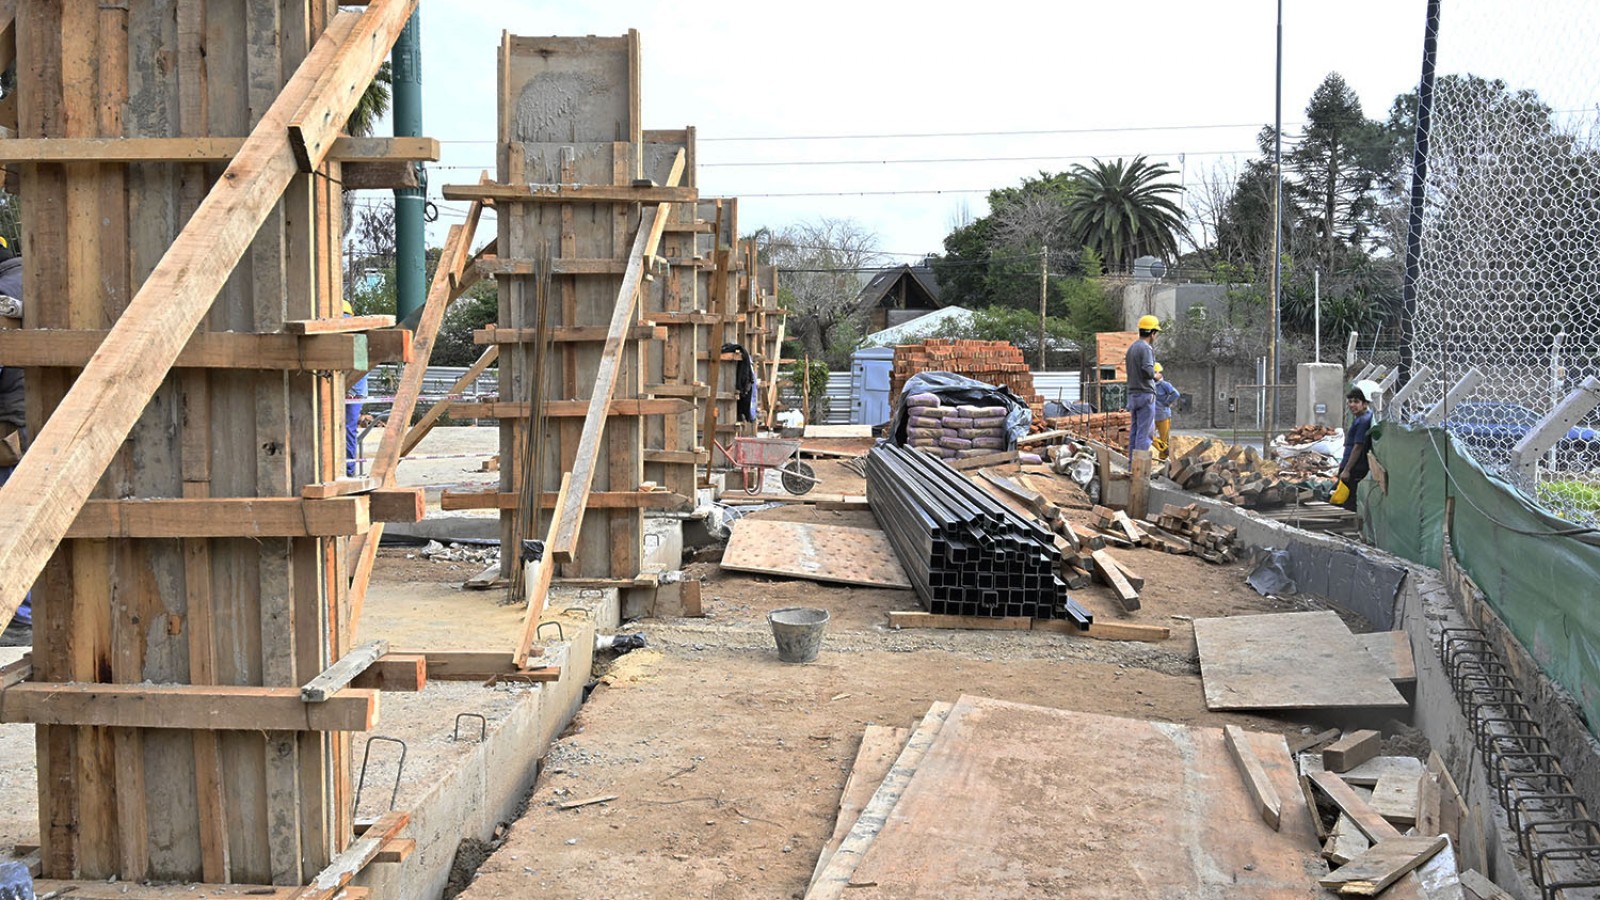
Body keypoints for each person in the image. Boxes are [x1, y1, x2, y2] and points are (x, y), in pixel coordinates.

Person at [0, 235, 31, 642]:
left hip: (9, 429)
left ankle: (19, 616)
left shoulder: (4, 294)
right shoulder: (33, 279)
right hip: (39, 418)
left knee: (8, 521)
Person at [1338, 381, 1379, 511]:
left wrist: (1347, 470)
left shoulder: (1363, 421)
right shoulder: (1362, 417)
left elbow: (1358, 447)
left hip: (1354, 467)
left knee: (1346, 502)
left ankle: (1345, 524)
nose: (1352, 405)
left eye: (1356, 402)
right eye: (1350, 401)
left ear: (1365, 403)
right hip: (1353, 465)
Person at [1124, 314, 1161, 452]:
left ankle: (1132, 467)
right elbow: (1147, 370)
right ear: (1152, 333)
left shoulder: (1131, 349)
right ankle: (1141, 471)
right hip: (1145, 394)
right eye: (1156, 333)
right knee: (1145, 434)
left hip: (1133, 395)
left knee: (1135, 433)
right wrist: (1156, 376)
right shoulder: (1146, 348)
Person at [343, 300, 369, 476]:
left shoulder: (357, 338)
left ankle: (348, 470)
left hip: (353, 392)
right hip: (344, 390)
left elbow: (360, 370)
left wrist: (349, 390)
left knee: (346, 429)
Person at [1152, 363, 1180, 460]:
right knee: (1149, 436)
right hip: (1152, 416)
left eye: (1157, 372)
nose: (1155, 374)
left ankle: (1163, 460)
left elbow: (1175, 394)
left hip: (1164, 416)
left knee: (1164, 438)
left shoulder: (1164, 385)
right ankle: (1165, 449)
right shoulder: (1150, 385)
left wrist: (1166, 403)